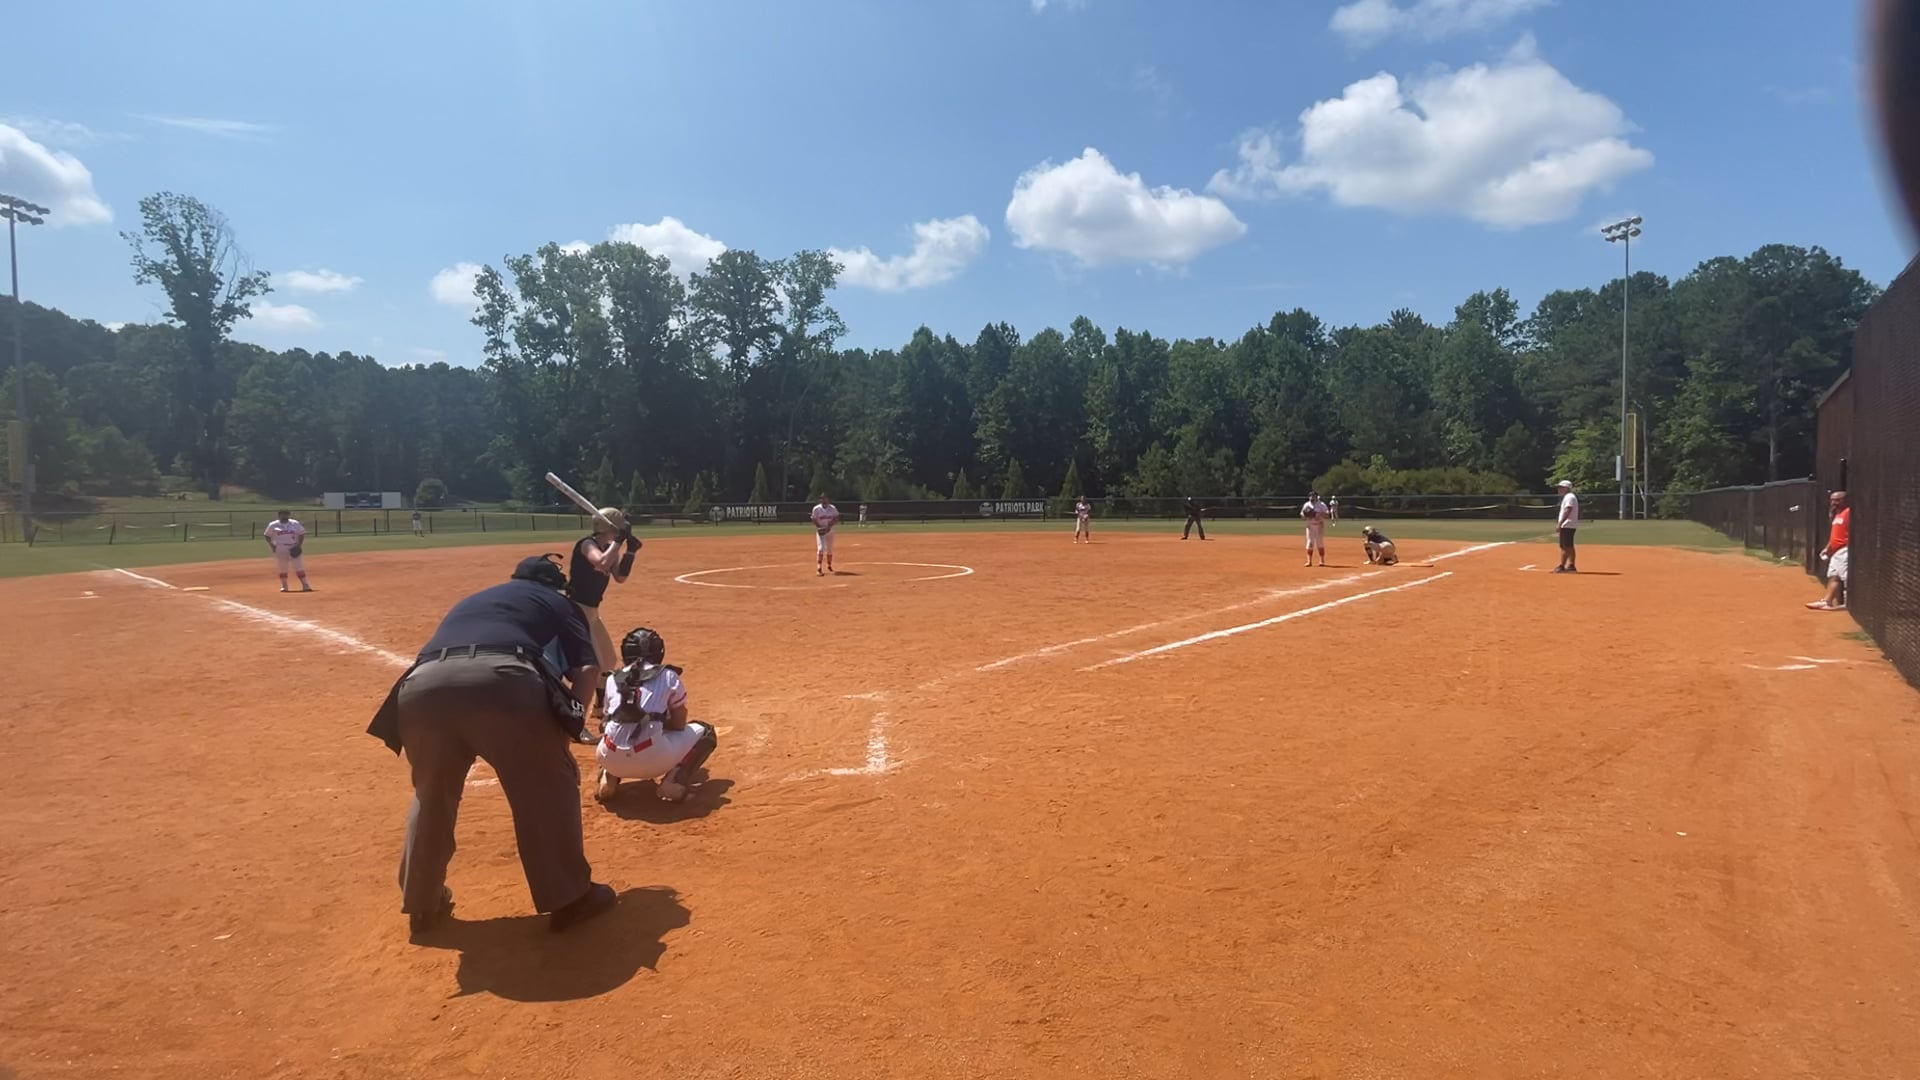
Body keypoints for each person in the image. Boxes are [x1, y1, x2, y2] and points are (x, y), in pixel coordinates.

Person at [368, 554, 617, 936]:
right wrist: (573, 721)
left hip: (420, 687)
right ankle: (569, 897)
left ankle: (422, 903)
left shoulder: (478, 599)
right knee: (546, 788)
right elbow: (587, 668)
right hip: (502, 680)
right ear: (556, 586)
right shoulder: (560, 603)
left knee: (431, 796)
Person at [593, 627, 719, 805]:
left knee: (612, 729)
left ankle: (609, 775)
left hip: (609, 757)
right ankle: (674, 782)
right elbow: (679, 723)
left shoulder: (612, 679)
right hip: (654, 761)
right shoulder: (668, 676)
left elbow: (606, 720)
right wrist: (658, 722)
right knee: (706, 732)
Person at [568, 508, 639, 715]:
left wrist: (630, 552)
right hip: (576, 611)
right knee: (594, 663)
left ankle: (600, 706)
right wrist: (618, 541)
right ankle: (587, 710)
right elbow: (601, 563)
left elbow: (620, 577)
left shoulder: (608, 548)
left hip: (592, 612)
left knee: (608, 660)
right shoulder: (587, 544)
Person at [1808, 490, 1851, 610]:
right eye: (1832, 500)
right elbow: (1835, 535)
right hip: (1837, 551)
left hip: (1845, 549)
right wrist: (1828, 548)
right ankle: (1827, 601)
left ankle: (1849, 603)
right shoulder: (1838, 514)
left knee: (1845, 577)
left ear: (1845, 500)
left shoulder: (1849, 512)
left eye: (1837, 500)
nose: (1833, 503)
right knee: (1834, 576)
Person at [263, 510, 313, 593]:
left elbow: (301, 534)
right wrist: (272, 545)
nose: (285, 516)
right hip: (280, 547)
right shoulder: (273, 524)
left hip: (293, 546)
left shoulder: (294, 523)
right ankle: (284, 586)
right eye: (283, 514)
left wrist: (299, 545)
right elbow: (267, 535)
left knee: (299, 567)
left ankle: (305, 585)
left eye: (286, 514)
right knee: (282, 568)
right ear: (279, 515)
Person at [1553, 480, 1580, 573]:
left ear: (1567, 488)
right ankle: (1569, 565)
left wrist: (1560, 523)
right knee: (1567, 545)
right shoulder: (1569, 497)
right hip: (1568, 524)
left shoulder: (1569, 497)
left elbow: (1568, 510)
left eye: (1561, 487)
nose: (1559, 489)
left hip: (1567, 524)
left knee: (1566, 546)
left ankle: (1565, 566)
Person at [812, 493, 841, 575]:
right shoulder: (816, 509)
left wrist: (829, 526)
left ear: (828, 499)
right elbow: (813, 519)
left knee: (829, 549)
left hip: (830, 531)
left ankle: (829, 565)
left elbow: (836, 518)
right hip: (821, 531)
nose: (823, 500)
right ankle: (819, 568)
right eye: (822, 498)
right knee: (821, 548)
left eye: (825, 498)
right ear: (820, 499)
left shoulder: (832, 508)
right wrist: (819, 527)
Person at [1301, 491, 1330, 567]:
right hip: (1310, 526)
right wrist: (1306, 515)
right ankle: (1309, 561)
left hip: (1319, 525)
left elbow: (1327, 514)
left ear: (1317, 497)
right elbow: (1302, 515)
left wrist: (1319, 514)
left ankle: (1322, 561)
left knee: (1320, 543)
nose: (1311, 497)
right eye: (1310, 496)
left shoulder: (1321, 505)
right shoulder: (1307, 505)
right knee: (1310, 543)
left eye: (1313, 496)